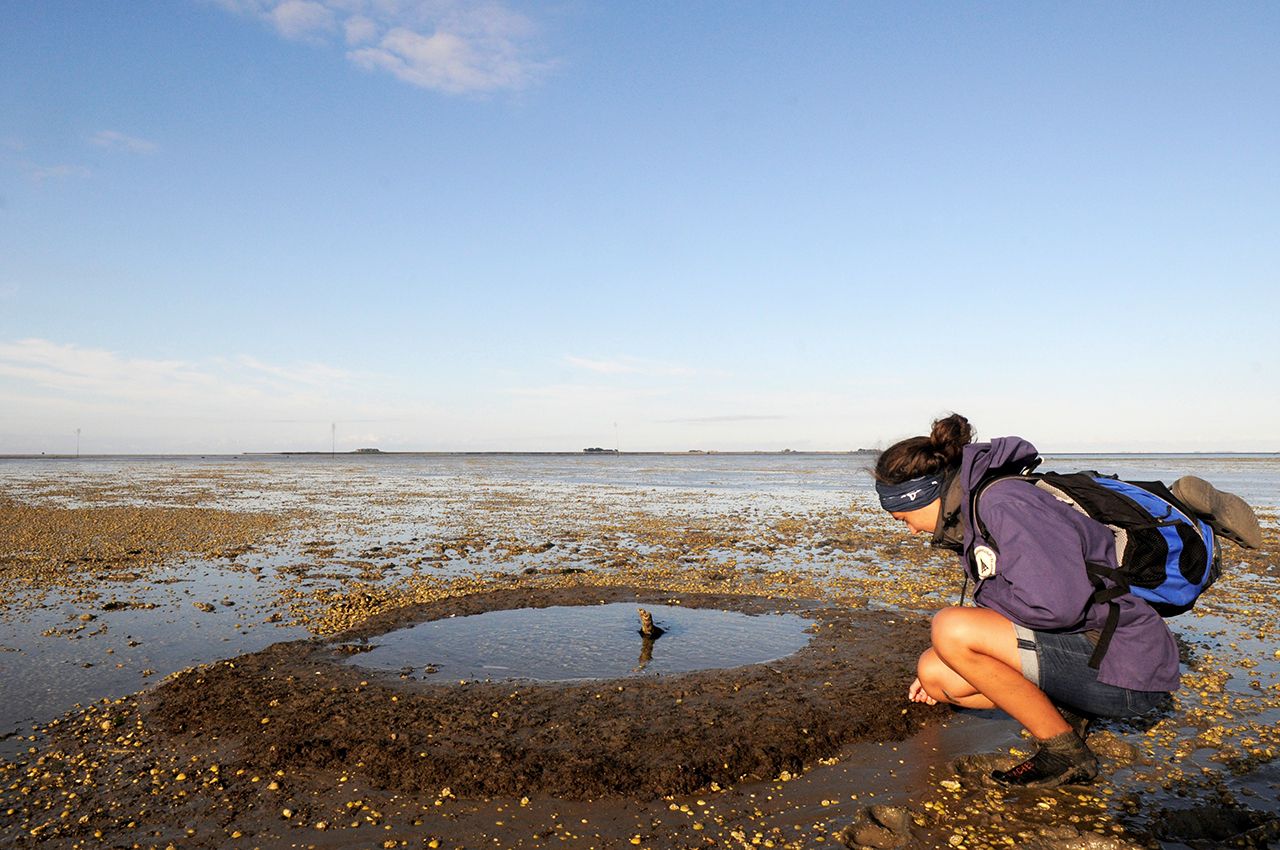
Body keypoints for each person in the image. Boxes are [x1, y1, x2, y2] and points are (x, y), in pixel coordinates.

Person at [871, 413, 1257, 789]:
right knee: (936, 673)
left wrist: (979, 621)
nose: (907, 530)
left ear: (924, 495)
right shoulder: (977, 510)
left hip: (1125, 671)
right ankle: (1069, 709)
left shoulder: (1003, 503)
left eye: (903, 517)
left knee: (951, 628)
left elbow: (1057, 605)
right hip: (1090, 656)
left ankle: (1064, 750)